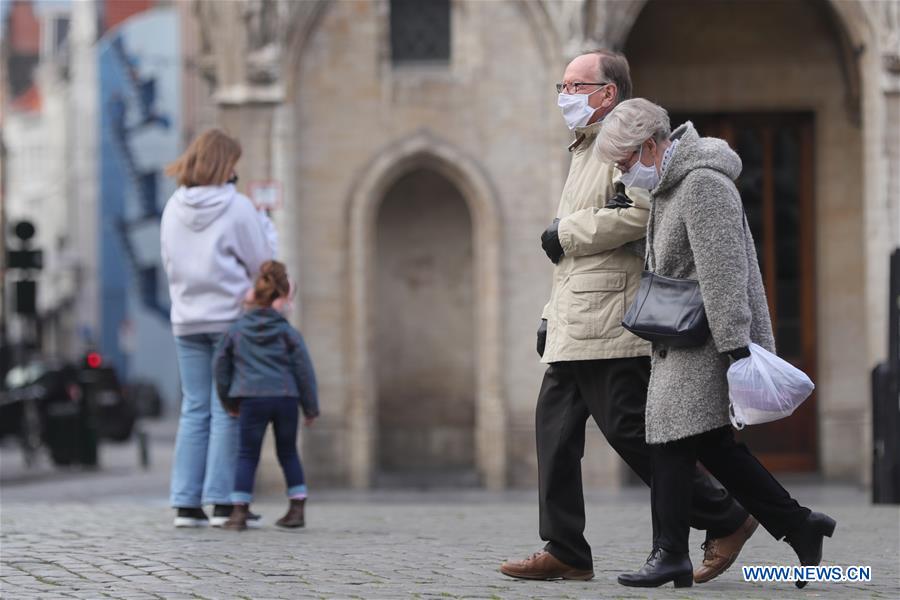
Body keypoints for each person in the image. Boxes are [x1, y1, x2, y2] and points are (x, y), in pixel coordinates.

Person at [500, 50, 755, 584]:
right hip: (576, 320)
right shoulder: (584, 149)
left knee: (631, 433)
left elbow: (640, 212)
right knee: (554, 434)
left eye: (575, 84)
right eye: (561, 84)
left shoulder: (624, 145)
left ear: (607, 92)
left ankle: (726, 515)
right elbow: (568, 248)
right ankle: (565, 547)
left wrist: (566, 232)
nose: (563, 94)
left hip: (612, 317)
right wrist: (550, 313)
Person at [594, 98, 836, 589]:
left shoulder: (702, 184)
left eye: (624, 163)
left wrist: (735, 348)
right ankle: (799, 525)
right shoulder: (670, 186)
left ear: (649, 146)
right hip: (683, 336)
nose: (624, 174)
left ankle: (670, 555)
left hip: (707, 339)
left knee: (667, 437)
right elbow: (673, 260)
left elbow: (724, 272)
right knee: (708, 446)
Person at [162, 129, 274, 528]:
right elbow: (261, 263)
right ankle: (224, 501)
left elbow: (169, 262)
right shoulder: (237, 207)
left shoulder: (173, 206)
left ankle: (186, 504)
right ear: (225, 164)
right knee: (227, 408)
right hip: (229, 320)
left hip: (186, 320)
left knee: (193, 407)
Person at [214, 261, 319, 531]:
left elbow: (220, 367)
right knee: (288, 452)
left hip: (250, 398)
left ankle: (239, 512)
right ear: (281, 299)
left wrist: (228, 400)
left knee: (247, 454)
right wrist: (310, 407)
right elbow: (303, 369)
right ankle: (297, 508)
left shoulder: (236, 331)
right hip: (285, 397)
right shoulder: (287, 332)